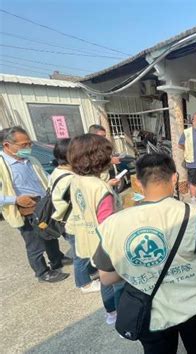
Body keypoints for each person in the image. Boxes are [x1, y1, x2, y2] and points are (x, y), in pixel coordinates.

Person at [93, 153, 196, 353]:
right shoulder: (194, 215)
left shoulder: (112, 224)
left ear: (137, 182)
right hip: (194, 303)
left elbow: (107, 277)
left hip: (150, 313)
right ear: (174, 178)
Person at [0, 126, 70, 282]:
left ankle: (57, 259)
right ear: (6, 145)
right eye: (23, 145)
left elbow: (46, 177)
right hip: (25, 210)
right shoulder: (2, 165)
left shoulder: (31, 160)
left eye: (29, 143)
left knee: (50, 234)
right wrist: (15, 199)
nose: (28, 147)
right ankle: (42, 272)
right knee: (34, 243)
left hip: (43, 205)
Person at [67, 133, 124, 324]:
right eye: (108, 154)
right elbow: (108, 225)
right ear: (99, 158)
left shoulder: (76, 179)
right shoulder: (100, 189)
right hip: (104, 245)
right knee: (116, 283)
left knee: (103, 278)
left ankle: (111, 313)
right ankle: (119, 315)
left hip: (87, 239)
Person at [50, 138, 101, 293]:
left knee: (85, 250)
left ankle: (91, 272)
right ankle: (83, 283)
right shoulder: (70, 178)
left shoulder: (58, 172)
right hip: (74, 222)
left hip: (65, 221)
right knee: (81, 253)